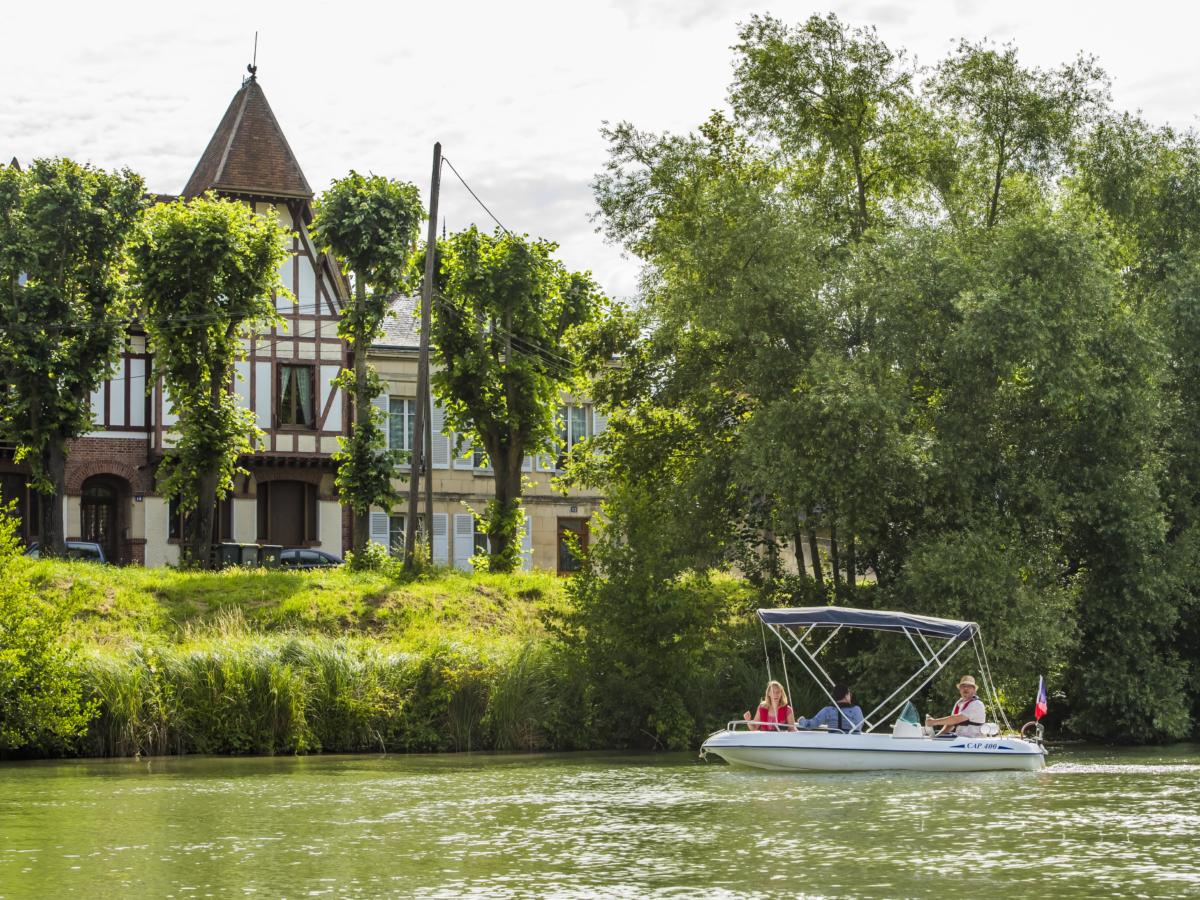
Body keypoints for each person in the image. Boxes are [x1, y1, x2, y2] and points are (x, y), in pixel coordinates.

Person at [797, 684, 864, 733]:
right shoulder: (856, 710)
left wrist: (801, 720)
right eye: (850, 694)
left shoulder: (828, 710)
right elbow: (859, 727)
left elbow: (810, 725)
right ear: (846, 696)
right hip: (853, 742)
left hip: (835, 742)